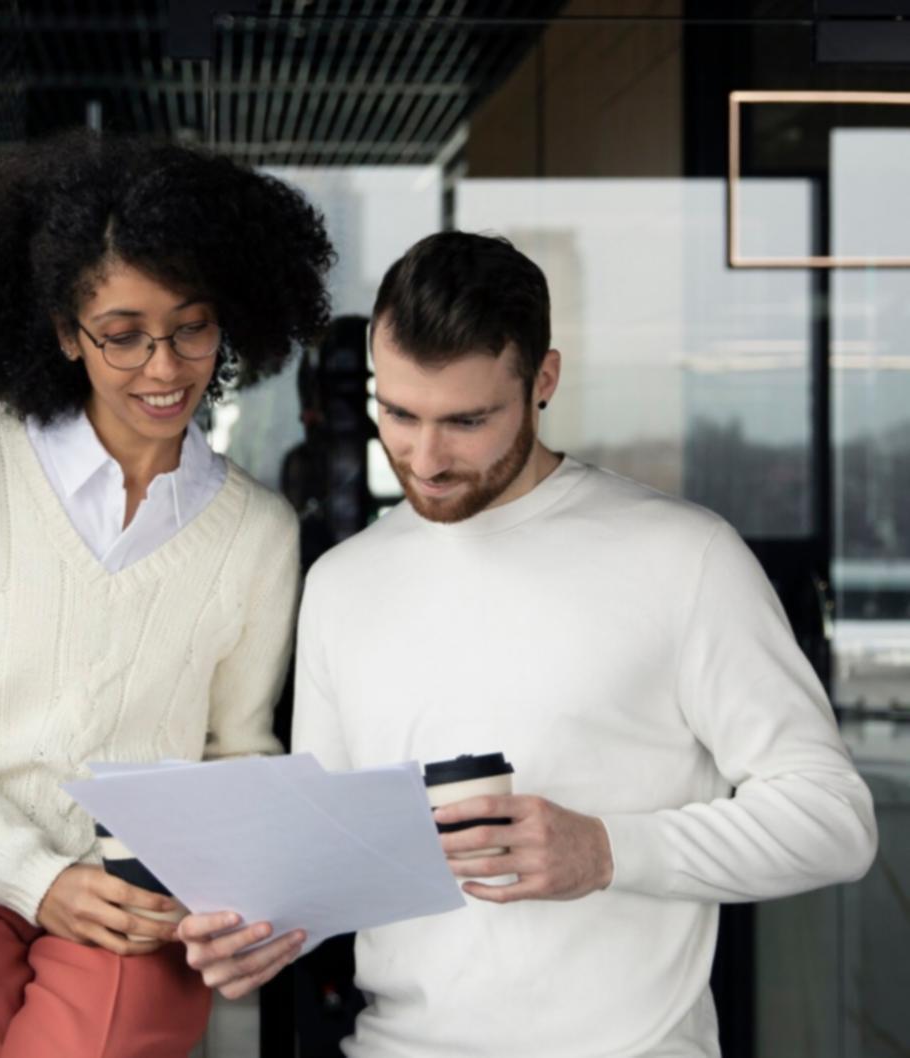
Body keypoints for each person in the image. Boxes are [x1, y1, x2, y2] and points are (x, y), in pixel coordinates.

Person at [180, 231, 878, 1056]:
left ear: (543, 380)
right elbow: (338, 863)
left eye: (467, 420)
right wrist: (264, 928)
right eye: (398, 413)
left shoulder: (683, 558)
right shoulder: (343, 583)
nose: (425, 458)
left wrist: (610, 850)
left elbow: (834, 821)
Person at [0, 131, 334, 1058]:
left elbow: (236, 748)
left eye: (191, 327)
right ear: (66, 330)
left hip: (140, 896)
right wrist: (33, 878)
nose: (164, 367)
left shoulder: (261, 532)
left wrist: (231, 889)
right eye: (124, 334)